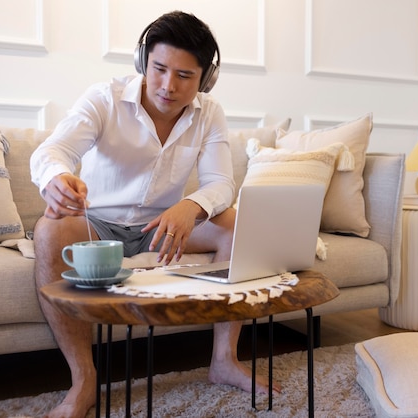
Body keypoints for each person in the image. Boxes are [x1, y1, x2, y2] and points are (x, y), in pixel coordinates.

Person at [30, 11, 277, 418]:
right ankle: (83, 380)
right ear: (143, 61)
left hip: (163, 226)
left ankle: (223, 360)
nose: (168, 85)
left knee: (236, 225)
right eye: (159, 69)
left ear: (205, 79)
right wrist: (56, 178)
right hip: (96, 224)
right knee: (50, 229)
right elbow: (52, 152)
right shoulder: (104, 98)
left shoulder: (209, 113)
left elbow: (221, 183)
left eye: (185, 76)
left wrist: (191, 206)